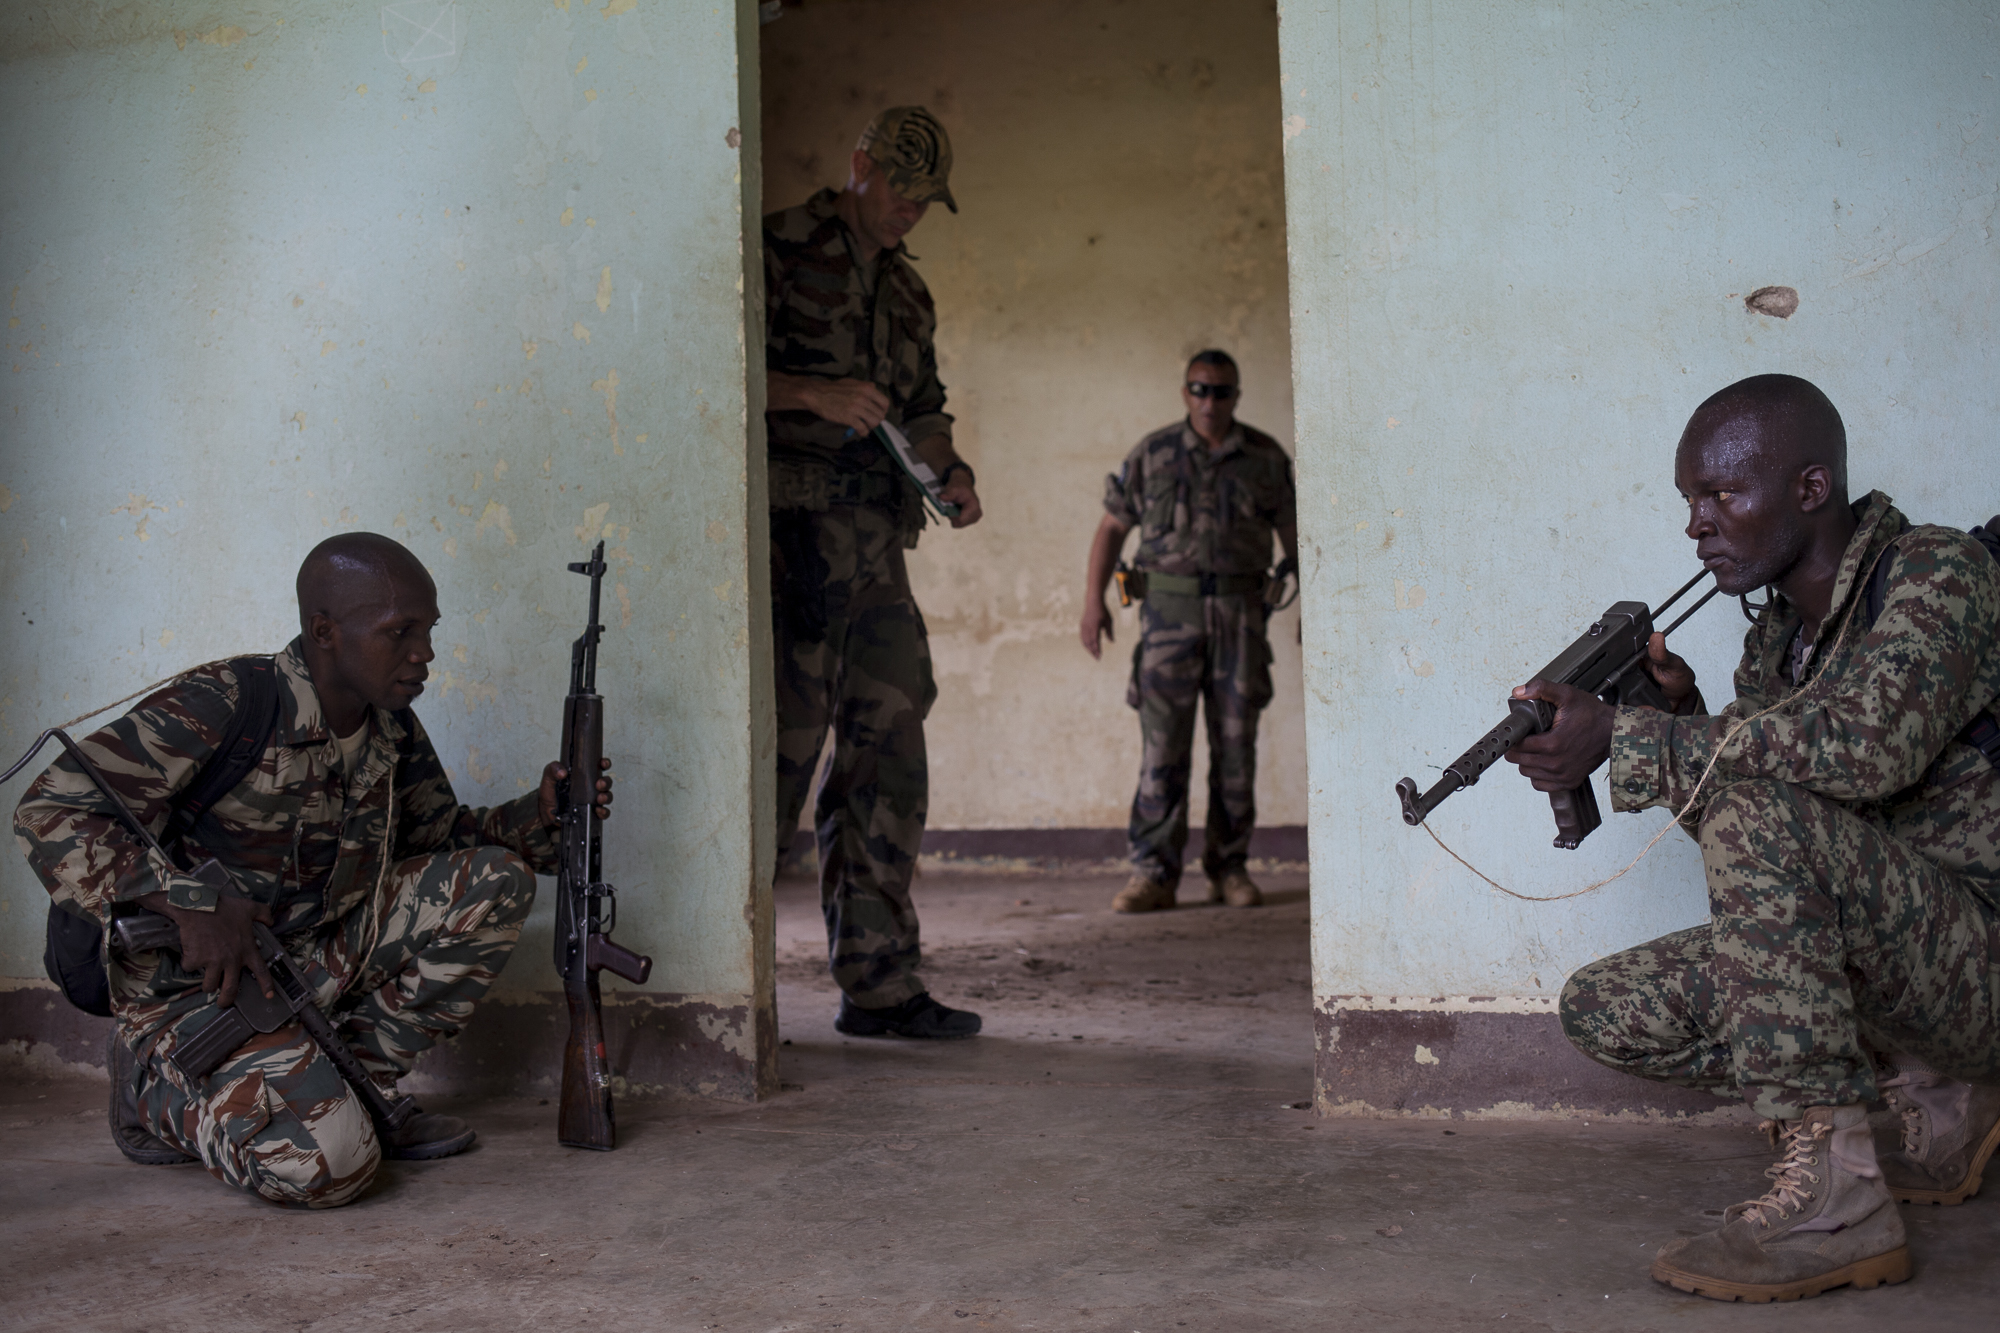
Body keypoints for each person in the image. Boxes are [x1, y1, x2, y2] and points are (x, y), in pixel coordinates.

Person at [1504, 374, 2000, 1302]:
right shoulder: (1774, 641)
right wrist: (1677, 709)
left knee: (1759, 804)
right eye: (1690, 499)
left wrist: (1631, 738)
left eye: (1722, 493)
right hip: (1891, 964)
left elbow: (1868, 747)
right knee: (1603, 1005)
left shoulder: (1936, 572)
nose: (1697, 522)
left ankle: (1840, 1203)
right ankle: (1936, 1082)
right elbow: (1759, 855)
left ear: (1811, 491)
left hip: (1980, 959)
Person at [12, 532, 613, 1208]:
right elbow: (52, 806)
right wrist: (188, 903)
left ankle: (353, 1083)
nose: (425, 653)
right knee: (332, 1167)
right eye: (400, 631)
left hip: (311, 967)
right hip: (206, 992)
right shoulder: (228, 703)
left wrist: (541, 817)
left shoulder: (392, 729)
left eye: (428, 630)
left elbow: (444, 840)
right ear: (325, 631)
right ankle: (154, 1095)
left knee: (496, 880)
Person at [763, 106, 984, 1039]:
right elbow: (703, 367)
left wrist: (952, 467)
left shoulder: (907, 291)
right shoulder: (774, 247)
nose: (910, 213)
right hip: (790, 543)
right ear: (859, 165)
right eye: (900, 190)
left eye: (926, 201)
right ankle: (725, 989)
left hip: (878, 547)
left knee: (889, 753)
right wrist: (812, 393)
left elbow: (924, 405)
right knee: (775, 758)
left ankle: (881, 984)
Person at [1080, 350, 1298, 914]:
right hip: (1168, 619)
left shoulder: (1265, 458)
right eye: (1199, 390)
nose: (1209, 401)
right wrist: (1092, 603)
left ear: (1237, 396)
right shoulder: (1152, 454)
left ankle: (1230, 869)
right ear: (1184, 393)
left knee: (1235, 749)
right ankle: (1152, 874)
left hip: (1240, 617)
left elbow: (1296, 533)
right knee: (1162, 749)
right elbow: (1111, 528)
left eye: (1221, 392)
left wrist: (1312, 609)